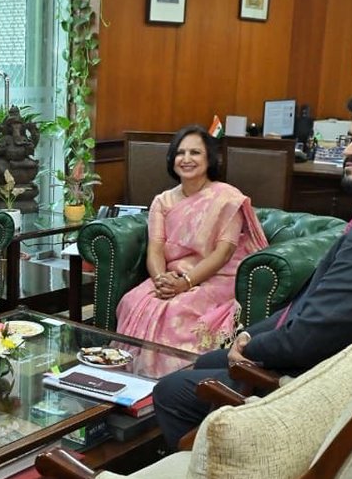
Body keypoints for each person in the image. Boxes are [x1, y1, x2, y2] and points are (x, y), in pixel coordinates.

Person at [152, 83, 352, 452]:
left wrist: (253, 347)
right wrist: (248, 337)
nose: (351, 151)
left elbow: (312, 335)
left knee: (170, 390)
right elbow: (312, 309)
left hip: (328, 388)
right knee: (205, 360)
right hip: (340, 357)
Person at [115, 125, 268, 361]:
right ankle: (132, 376)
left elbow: (224, 252)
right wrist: (160, 280)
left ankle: (181, 382)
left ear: (210, 159)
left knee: (177, 310)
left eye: (195, 153)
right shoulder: (163, 201)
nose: (186, 159)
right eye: (180, 153)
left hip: (218, 276)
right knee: (131, 301)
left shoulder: (228, 198)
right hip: (172, 276)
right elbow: (155, 249)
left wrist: (186, 283)